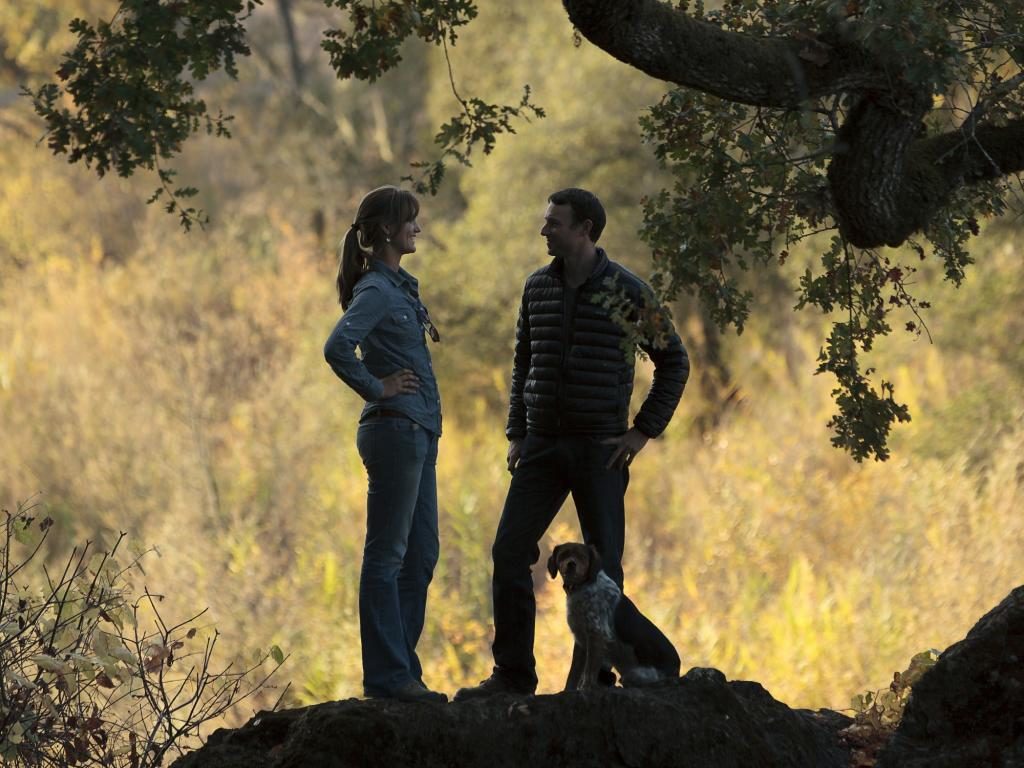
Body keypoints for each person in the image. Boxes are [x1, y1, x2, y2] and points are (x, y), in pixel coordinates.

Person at [455, 188, 689, 700]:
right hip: (540, 447)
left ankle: (595, 682)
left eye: (553, 223)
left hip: (599, 451)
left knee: (604, 566)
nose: (544, 230)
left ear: (584, 228)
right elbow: (523, 362)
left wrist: (642, 431)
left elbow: (675, 360)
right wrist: (516, 431)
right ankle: (513, 677)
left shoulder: (629, 291)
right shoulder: (536, 288)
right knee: (509, 551)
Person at [323, 185, 446, 704]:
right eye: (410, 221)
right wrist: (379, 387)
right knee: (388, 557)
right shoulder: (375, 290)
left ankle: (402, 673)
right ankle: (387, 679)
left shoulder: (402, 287)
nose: (417, 228)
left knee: (420, 555)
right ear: (388, 230)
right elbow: (337, 348)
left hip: (418, 431)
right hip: (393, 429)